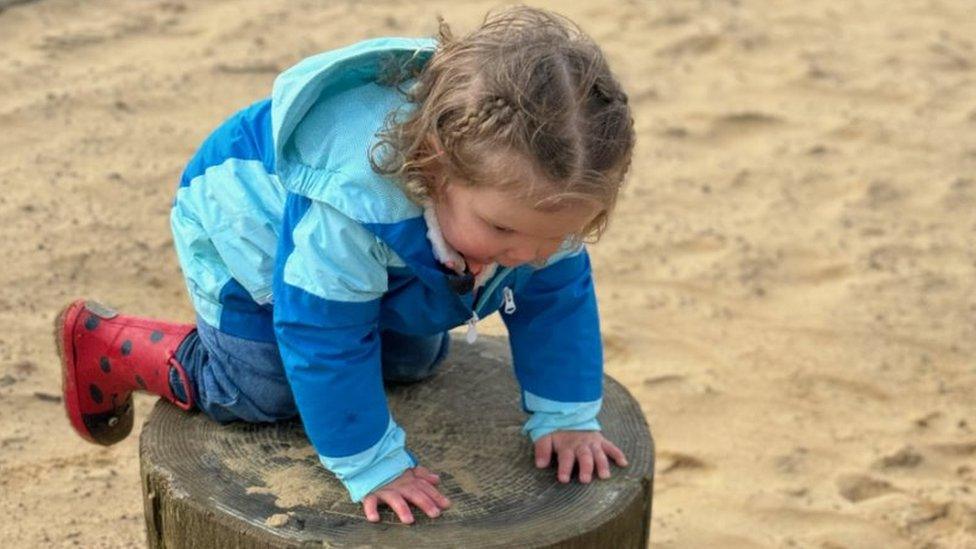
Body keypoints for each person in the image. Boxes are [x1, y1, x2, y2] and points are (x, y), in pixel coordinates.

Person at [55, 6, 635, 524]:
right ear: (435, 169)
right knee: (266, 389)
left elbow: (557, 303)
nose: (528, 254)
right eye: (502, 230)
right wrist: (374, 464)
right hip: (245, 230)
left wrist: (566, 414)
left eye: (555, 235)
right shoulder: (353, 210)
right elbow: (320, 335)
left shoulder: (535, 209)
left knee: (414, 361)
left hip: (378, 263)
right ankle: (110, 346)